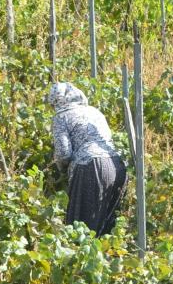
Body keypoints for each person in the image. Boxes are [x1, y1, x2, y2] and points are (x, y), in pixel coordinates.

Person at [47, 82, 127, 234]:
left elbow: (63, 153)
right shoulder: (94, 111)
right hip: (117, 165)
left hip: (90, 167)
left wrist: (61, 169)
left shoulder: (61, 116)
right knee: (107, 231)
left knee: (82, 230)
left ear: (55, 103)